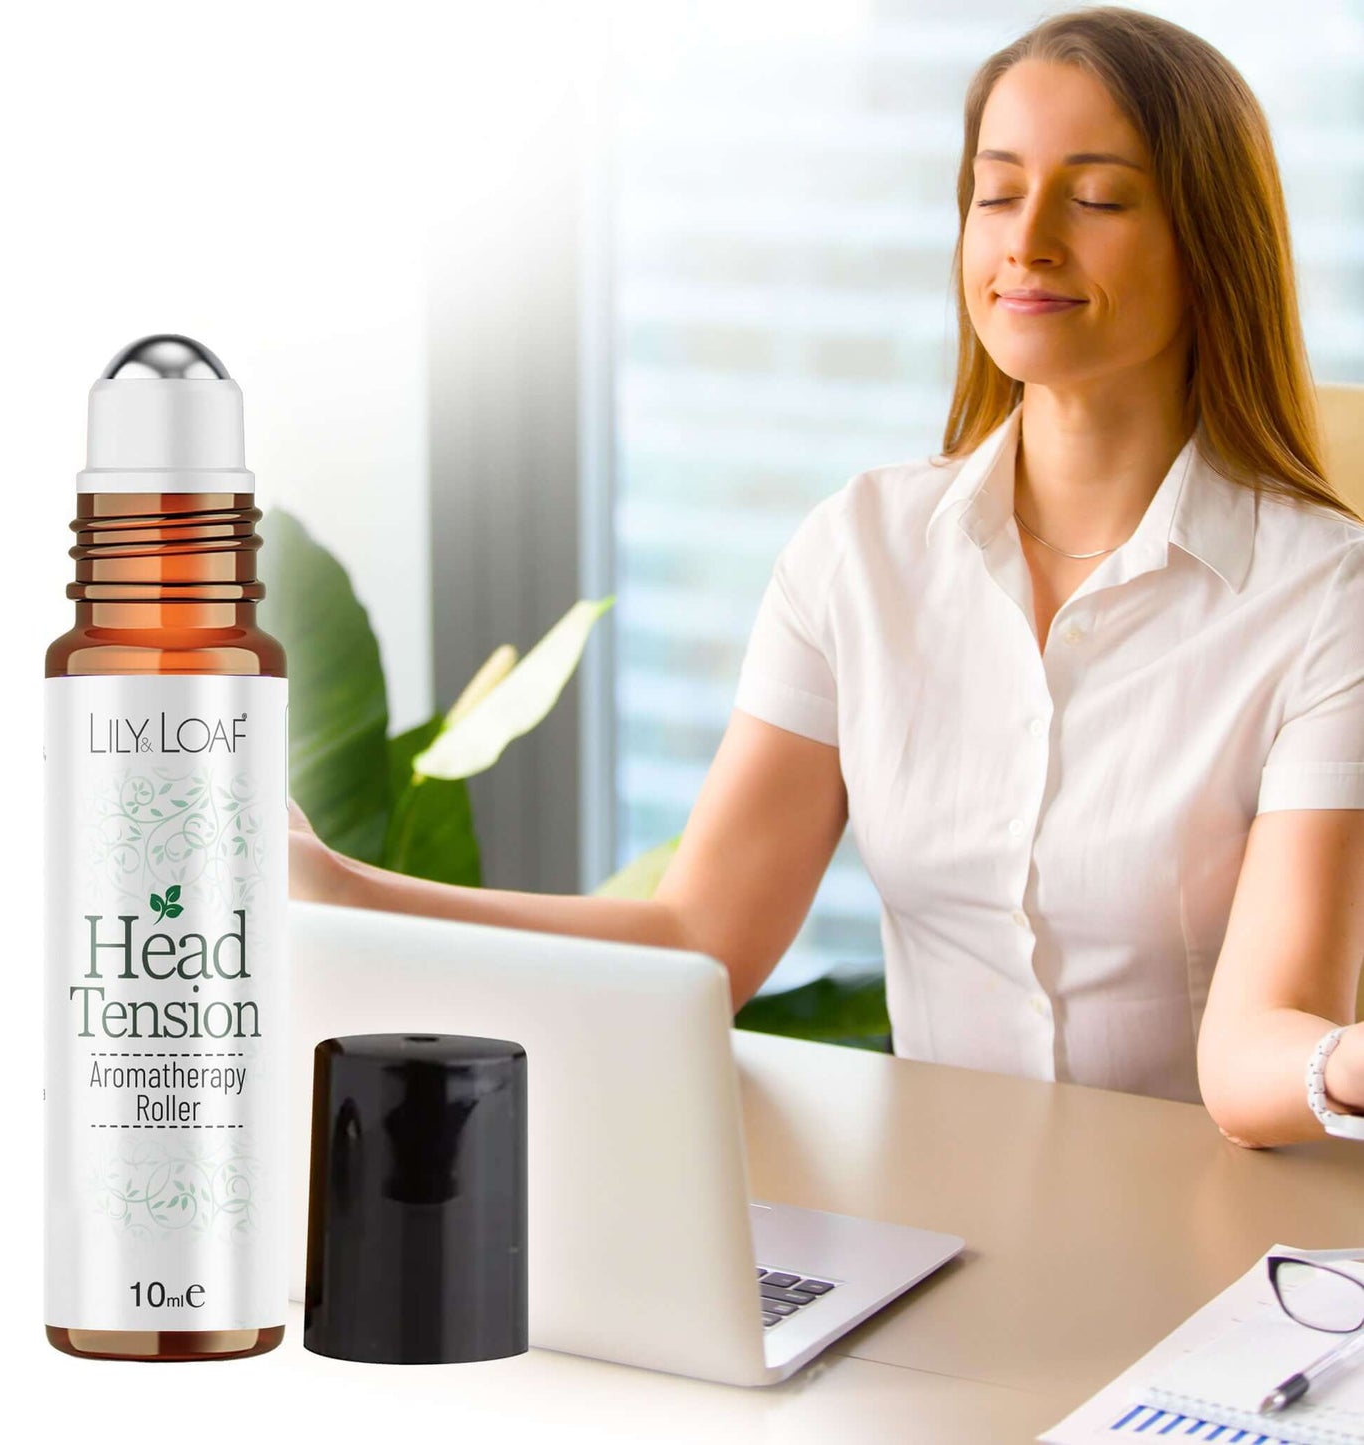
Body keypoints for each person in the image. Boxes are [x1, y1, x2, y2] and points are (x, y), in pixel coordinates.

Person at [290, 6, 1364, 1149]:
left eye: (1094, 199)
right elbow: (701, 938)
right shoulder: (859, 550)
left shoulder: (1321, 599)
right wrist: (334, 887)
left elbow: (1252, 1040)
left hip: (1219, 1244)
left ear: (1208, 242)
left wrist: (1335, 1061)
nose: (1028, 240)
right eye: (995, 193)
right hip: (947, 1220)